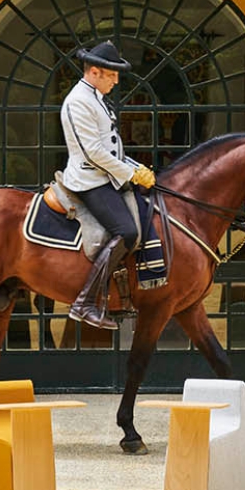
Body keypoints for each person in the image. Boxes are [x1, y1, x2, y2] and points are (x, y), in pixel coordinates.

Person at [60, 41, 156, 330]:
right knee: (127, 231)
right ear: (94, 72)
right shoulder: (78, 100)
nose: (116, 80)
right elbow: (93, 152)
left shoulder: (96, 96)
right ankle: (84, 303)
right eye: (111, 74)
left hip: (105, 174)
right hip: (89, 179)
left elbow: (111, 148)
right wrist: (130, 174)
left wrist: (137, 168)